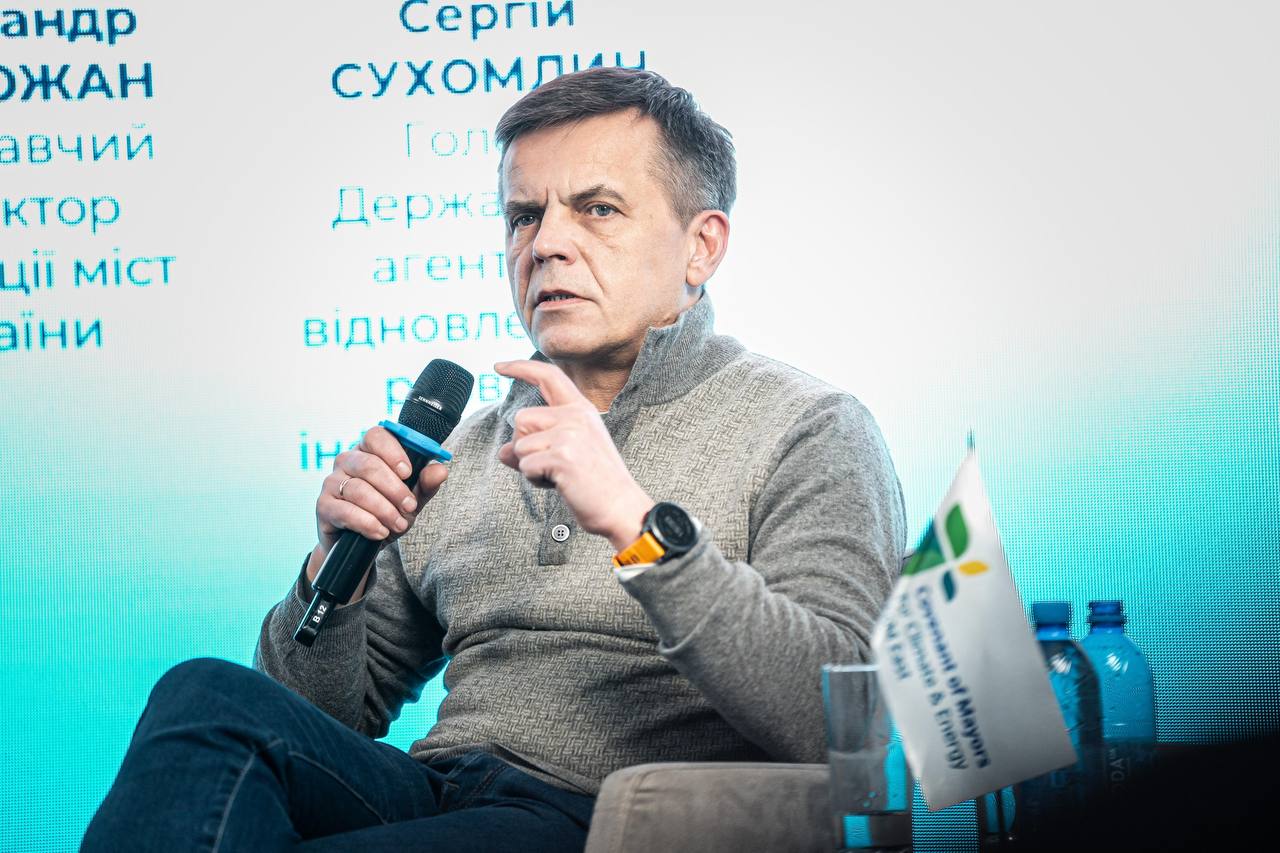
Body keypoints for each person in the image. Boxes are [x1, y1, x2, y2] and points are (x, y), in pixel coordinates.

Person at [82, 67, 907, 852]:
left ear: (702, 245)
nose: (546, 244)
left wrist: (636, 525)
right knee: (204, 694)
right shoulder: (462, 450)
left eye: (597, 209)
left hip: (605, 815)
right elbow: (323, 720)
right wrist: (337, 572)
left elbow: (840, 719)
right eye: (523, 217)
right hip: (441, 790)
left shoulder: (807, 427)